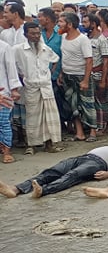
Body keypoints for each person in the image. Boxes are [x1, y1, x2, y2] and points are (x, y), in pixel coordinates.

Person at [0, 144, 108, 198]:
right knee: (52, 171)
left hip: (100, 163)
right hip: (86, 156)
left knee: (72, 176)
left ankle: (43, 191)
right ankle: (16, 188)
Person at [14, 22, 61, 155]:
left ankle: (49, 144)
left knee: (49, 117)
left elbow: (56, 59)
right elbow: (12, 65)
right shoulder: (18, 49)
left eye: (38, 33)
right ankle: (31, 145)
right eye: (32, 33)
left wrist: (50, 73)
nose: (36, 36)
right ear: (25, 35)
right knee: (32, 116)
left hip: (46, 86)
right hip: (30, 87)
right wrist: (20, 78)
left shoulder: (45, 48)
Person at [58, 12, 96, 142]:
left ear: (70, 24)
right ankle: (79, 133)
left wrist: (86, 80)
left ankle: (92, 131)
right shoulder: (63, 37)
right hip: (68, 75)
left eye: (62, 22)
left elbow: (89, 60)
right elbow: (64, 57)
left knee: (87, 103)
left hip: (81, 75)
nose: (59, 24)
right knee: (73, 105)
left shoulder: (82, 39)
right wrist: (62, 73)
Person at [0, 37, 20, 164]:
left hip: (3, 92)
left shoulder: (4, 47)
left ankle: (7, 151)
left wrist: (14, 89)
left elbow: (11, 68)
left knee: (3, 123)